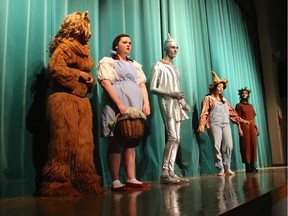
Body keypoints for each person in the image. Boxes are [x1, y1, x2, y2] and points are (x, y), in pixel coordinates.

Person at [41, 11, 103, 196]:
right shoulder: (65, 47)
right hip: (64, 100)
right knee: (63, 143)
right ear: (78, 26)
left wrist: (89, 80)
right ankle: (57, 183)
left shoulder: (84, 49)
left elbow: (84, 72)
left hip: (81, 102)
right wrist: (80, 75)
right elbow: (56, 69)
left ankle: (84, 179)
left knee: (83, 143)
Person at [97, 34, 150, 191]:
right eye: (124, 42)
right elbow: (105, 83)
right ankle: (115, 180)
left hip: (134, 105)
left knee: (131, 139)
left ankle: (131, 177)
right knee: (115, 140)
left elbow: (141, 85)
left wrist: (145, 103)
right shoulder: (109, 62)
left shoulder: (135, 65)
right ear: (116, 46)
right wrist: (119, 104)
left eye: (130, 43)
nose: (128, 45)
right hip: (116, 104)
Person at [150, 33, 190, 184]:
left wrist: (183, 102)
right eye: (172, 47)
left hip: (176, 103)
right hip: (166, 102)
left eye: (177, 48)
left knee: (177, 139)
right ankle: (164, 172)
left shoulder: (175, 68)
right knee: (172, 136)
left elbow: (177, 88)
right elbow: (153, 88)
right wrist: (171, 94)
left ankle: (171, 171)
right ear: (166, 48)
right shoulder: (158, 66)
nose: (175, 50)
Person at [198, 71, 249, 176]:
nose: (221, 89)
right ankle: (220, 168)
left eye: (222, 87)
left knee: (228, 145)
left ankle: (227, 167)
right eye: (219, 87)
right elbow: (204, 112)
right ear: (215, 87)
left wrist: (243, 121)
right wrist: (202, 124)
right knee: (217, 146)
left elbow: (232, 113)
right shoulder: (208, 98)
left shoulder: (224, 100)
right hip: (214, 123)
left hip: (225, 124)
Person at [235, 87, 260, 172]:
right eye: (243, 93)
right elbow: (237, 118)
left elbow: (253, 118)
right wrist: (239, 129)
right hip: (244, 127)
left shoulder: (251, 106)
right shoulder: (239, 105)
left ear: (248, 95)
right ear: (240, 95)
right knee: (245, 145)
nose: (244, 94)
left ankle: (253, 165)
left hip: (252, 126)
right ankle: (247, 165)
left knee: (253, 144)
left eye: (246, 93)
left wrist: (257, 128)